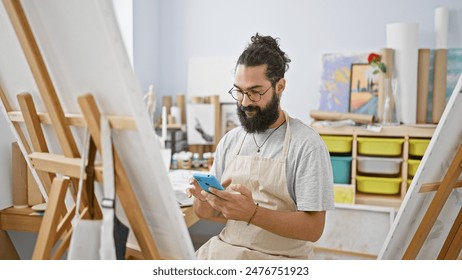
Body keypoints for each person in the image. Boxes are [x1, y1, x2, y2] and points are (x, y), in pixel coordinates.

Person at [186, 33, 334, 260]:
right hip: (226, 251)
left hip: (281, 258)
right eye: (239, 91)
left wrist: (252, 213)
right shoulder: (230, 141)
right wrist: (202, 199)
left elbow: (314, 229)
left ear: (280, 86)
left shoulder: (307, 145)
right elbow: (206, 213)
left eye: (255, 92)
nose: (245, 102)